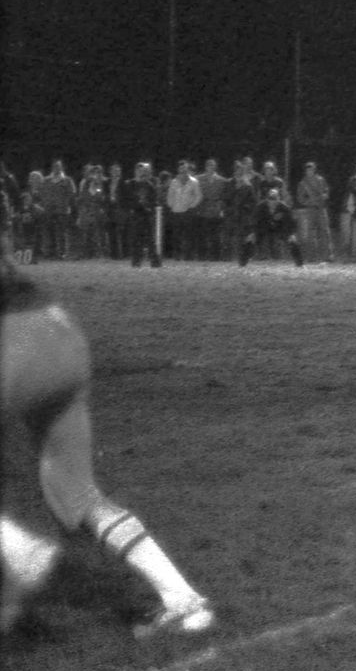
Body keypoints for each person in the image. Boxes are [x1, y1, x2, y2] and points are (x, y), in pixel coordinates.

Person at [3, 267, 215, 637]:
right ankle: (181, 598)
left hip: (12, 342)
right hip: (59, 331)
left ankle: (23, 551)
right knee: (75, 491)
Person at [119, 162, 162, 269]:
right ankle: (136, 263)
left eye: (144, 171)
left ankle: (155, 263)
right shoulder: (129, 184)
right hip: (134, 215)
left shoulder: (150, 186)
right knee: (135, 240)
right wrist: (133, 207)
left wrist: (149, 207)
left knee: (151, 240)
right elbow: (124, 200)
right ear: (135, 172)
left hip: (146, 215)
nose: (142, 173)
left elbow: (154, 200)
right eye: (140, 171)